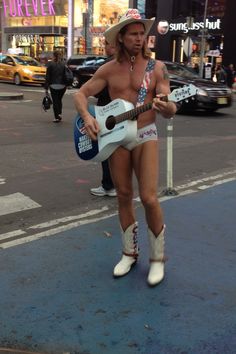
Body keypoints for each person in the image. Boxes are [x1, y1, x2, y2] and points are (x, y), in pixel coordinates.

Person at [74, 8, 177, 286]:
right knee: (122, 195)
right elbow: (81, 94)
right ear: (121, 37)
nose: (139, 38)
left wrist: (166, 105)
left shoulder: (158, 68)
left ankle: (157, 259)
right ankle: (129, 253)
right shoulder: (108, 69)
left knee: (149, 197)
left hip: (146, 132)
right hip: (117, 138)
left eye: (142, 33)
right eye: (133, 33)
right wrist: (87, 118)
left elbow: (170, 107)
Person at [90, 41, 117, 197]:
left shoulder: (107, 65)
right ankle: (116, 184)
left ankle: (108, 185)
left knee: (105, 149)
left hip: (106, 110)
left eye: (107, 44)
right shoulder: (127, 63)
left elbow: (96, 90)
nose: (105, 47)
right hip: (121, 110)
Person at [45, 50, 67, 123]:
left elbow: (47, 76)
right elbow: (66, 75)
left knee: (55, 101)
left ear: (54, 56)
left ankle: (57, 117)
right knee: (59, 100)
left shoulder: (50, 64)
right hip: (62, 85)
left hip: (53, 85)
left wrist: (46, 87)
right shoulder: (64, 64)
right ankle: (59, 113)